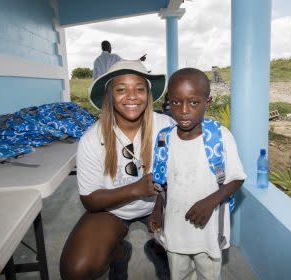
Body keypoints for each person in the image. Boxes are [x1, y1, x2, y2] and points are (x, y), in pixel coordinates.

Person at [60, 60, 173, 280]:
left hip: (162, 204)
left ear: (148, 95)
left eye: (139, 89)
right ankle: (119, 254)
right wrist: (136, 189)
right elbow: (90, 201)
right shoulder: (92, 139)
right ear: (110, 96)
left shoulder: (166, 126)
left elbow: (178, 176)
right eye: (121, 89)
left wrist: (159, 206)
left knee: (191, 246)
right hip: (112, 210)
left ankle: (160, 251)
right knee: (76, 270)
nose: (132, 96)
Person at [148, 68, 247, 280]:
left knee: (209, 275)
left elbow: (237, 177)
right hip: (175, 232)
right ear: (168, 102)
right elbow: (161, 183)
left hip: (208, 234)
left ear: (207, 103)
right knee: (179, 275)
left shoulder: (220, 137)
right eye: (176, 102)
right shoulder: (164, 139)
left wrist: (210, 202)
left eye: (193, 102)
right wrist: (157, 211)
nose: (184, 110)